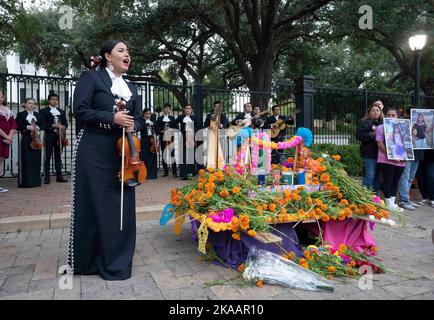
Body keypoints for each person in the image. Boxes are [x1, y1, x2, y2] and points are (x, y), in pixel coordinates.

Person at [70, 39, 143, 280]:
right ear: (107, 56)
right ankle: (89, 261)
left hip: (123, 152)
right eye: (121, 50)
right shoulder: (91, 78)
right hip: (94, 150)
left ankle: (117, 260)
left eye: (128, 51)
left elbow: (139, 119)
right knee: (95, 203)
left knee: (120, 205)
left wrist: (132, 123)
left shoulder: (132, 87)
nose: (127, 54)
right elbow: (79, 111)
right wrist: (112, 118)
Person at [375, 108, 405, 212]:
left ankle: (392, 203)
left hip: (401, 160)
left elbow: (407, 143)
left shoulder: (404, 128)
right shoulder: (380, 128)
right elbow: (379, 143)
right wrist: (392, 155)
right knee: (388, 181)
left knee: (396, 181)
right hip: (385, 160)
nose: (390, 117)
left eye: (393, 115)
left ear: (398, 117)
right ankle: (388, 203)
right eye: (388, 115)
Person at [397, 107, 425, 210]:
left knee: (410, 177)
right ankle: (403, 200)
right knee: (405, 176)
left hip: (418, 152)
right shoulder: (403, 123)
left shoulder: (420, 125)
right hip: (406, 152)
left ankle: (405, 199)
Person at [16, 98, 44, 188]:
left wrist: (38, 127)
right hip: (26, 139)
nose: (31, 105)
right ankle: (26, 182)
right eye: (29, 103)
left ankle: (35, 182)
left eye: (33, 103)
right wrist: (27, 127)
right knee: (26, 160)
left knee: (36, 159)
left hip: (37, 139)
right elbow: (17, 126)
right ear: (25, 104)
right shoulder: (21, 114)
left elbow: (43, 125)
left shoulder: (38, 115)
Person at [41, 93, 68, 184]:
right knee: (47, 156)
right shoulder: (44, 111)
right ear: (49, 100)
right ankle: (47, 177)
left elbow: (66, 124)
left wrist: (62, 127)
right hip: (49, 136)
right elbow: (42, 125)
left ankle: (59, 176)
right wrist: (53, 125)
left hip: (59, 137)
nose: (55, 101)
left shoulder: (61, 111)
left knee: (58, 156)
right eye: (53, 99)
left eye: (56, 99)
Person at [356, 103, 383, 192]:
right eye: (373, 110)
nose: (375, 112)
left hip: (382, 153)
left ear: (380, 112)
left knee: (378, 176)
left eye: (377, 110)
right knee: (370, 175)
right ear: (369, 112)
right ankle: (365, 195)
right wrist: (373, 134)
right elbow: (359, 135)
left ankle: (375, 197)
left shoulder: (384, 123)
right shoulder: (364, 122)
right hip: (369, 153)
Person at [171, 104, 202, 179]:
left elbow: (199, 126)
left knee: (191, 156)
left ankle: (191, 174)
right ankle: (184, 174)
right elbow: (173, 124)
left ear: (191, 110)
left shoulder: (194, 118)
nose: (188, 109)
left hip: (191, 138)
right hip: (183, 137)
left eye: (189, 108)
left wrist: (194, 131)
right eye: (186, 108)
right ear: (184, 110)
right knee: (183, 156)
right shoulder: (181, 117)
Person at [0, 91, 17, 193]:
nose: (0, 98)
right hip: (2, 137)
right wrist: (6, 136)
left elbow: (13, 124)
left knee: (1, 159)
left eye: (2, 97)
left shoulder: (8, 110)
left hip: (6, 139)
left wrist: (10, 136)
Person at [204, 101, 229, 169]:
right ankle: (211, 166)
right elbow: (205, 125)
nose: (218, 108)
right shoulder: (209, 115)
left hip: (221, 136)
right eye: (216, 106)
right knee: (211, 151)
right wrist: (208, 127)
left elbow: (226, 124)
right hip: (212, 136)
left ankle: (221, 166)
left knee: (221, 151)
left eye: (219, 106)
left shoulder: (223, 115)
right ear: (214, 107)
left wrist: (221, 125)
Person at [157, 103, 177, 177]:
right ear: (163, 109)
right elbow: (156, 129)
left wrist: (171, 129)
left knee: (172, 154)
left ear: (170, 110)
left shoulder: (172, 118)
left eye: (168, 108)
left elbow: (176, 128)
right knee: (164, 154)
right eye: (165, 108)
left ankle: (174, 172)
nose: (167, 109)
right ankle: (165, 172)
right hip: (163, 138)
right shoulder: (159, 118)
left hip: (171, 138)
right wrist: (161, 131)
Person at [139, 108, 158, 180]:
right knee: (145, 157)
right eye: (146, 113)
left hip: (152, 140)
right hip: (144, 140)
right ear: (143, 114)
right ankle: (145, 174)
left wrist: (154, 125)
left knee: (152, 157)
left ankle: (152, 174)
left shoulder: (153, 121)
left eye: (149, 114)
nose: (148, 115)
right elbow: (140, 128)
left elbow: (157, 130)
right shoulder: (141, 121)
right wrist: (146, 124)